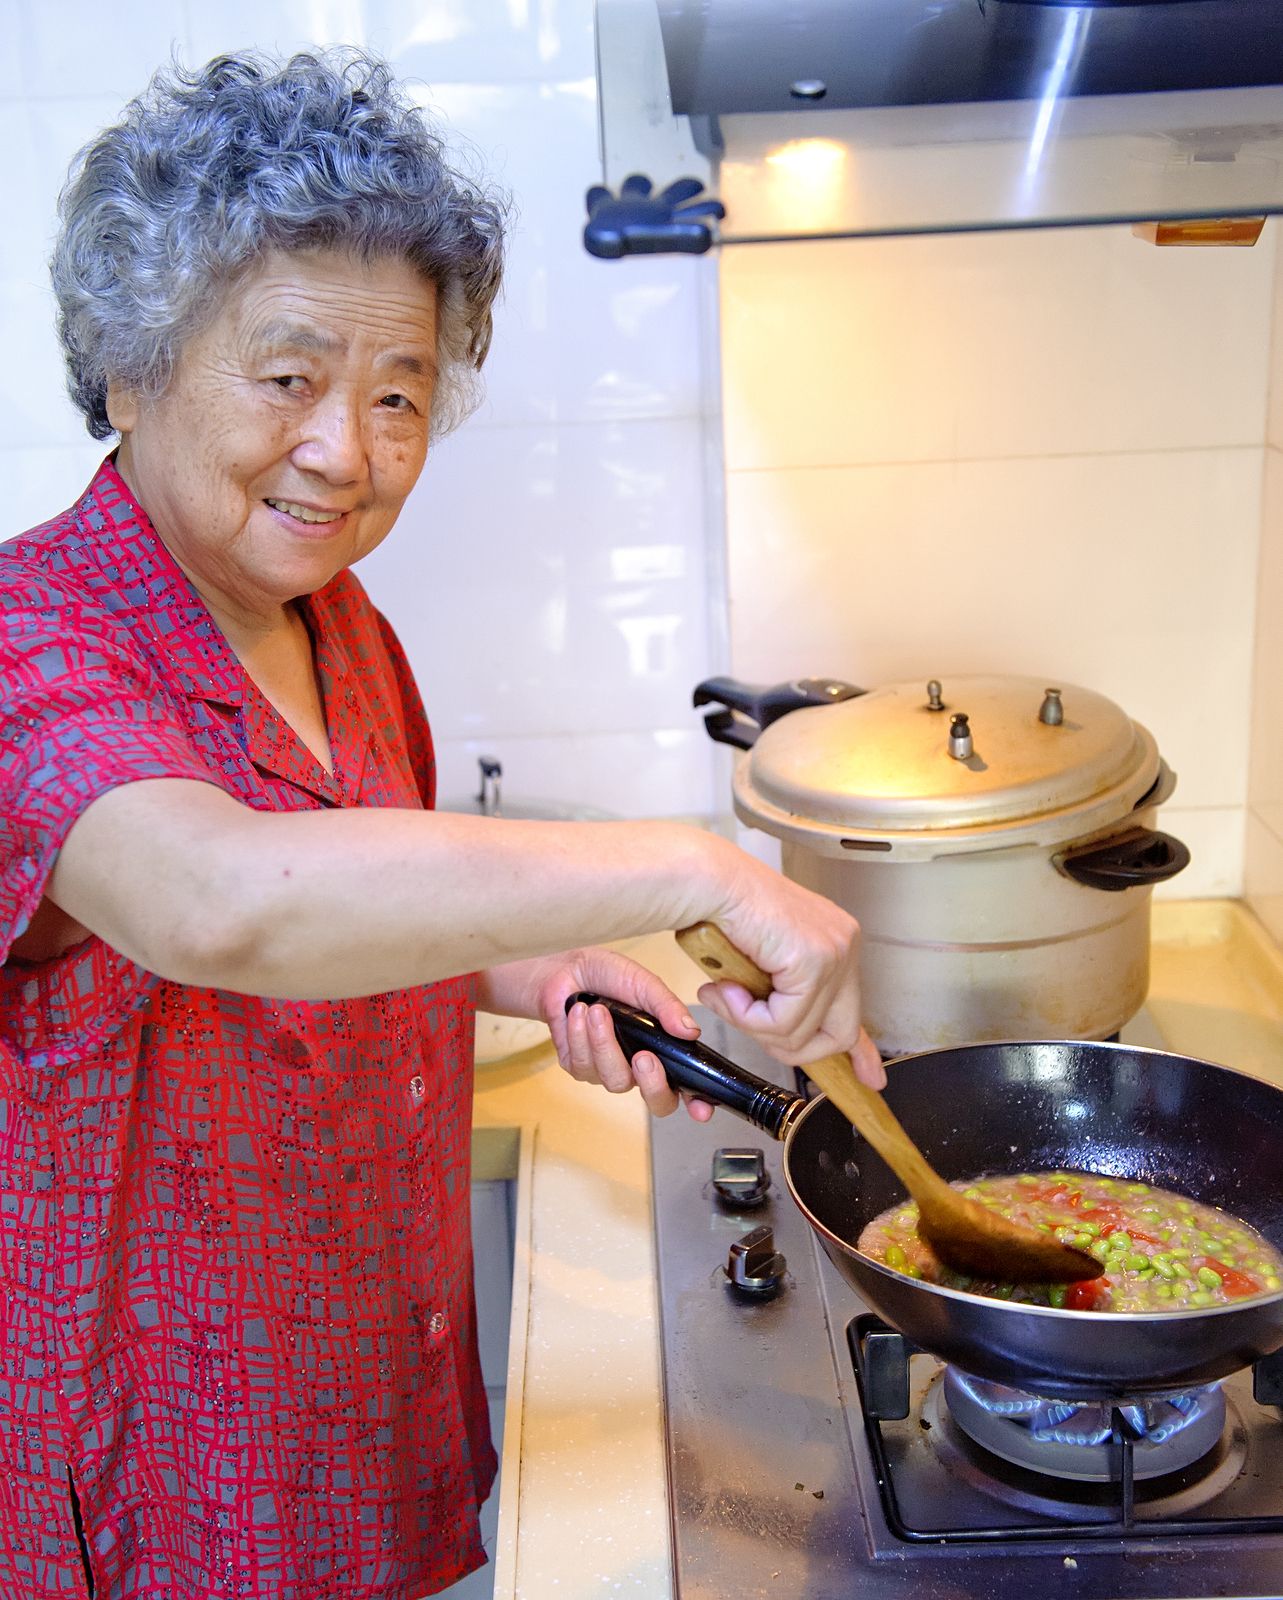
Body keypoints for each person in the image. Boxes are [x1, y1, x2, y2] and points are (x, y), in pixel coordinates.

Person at [0, 47, 883, 1600]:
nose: (350, 450)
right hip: (178, 1477)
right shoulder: (35, 640)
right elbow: (222, 900)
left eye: (398, 394)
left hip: (375, 1402)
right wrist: (689, 864)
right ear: (131, 370)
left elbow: (366, 902)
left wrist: (536, 969)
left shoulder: (340, 626)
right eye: (289, 380)